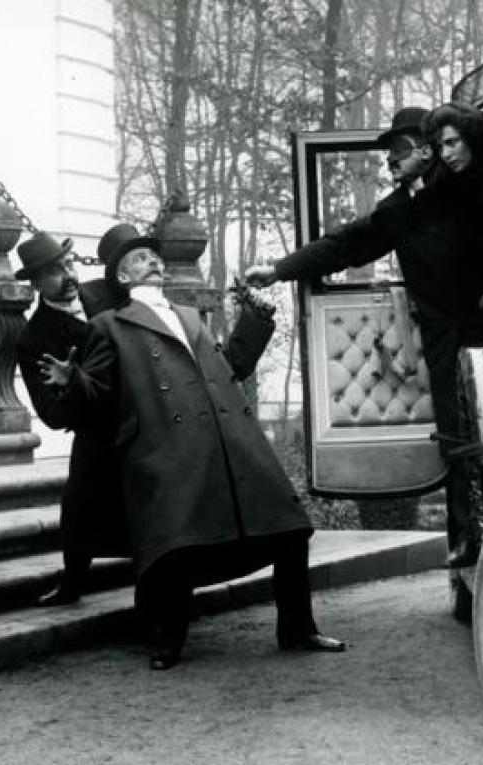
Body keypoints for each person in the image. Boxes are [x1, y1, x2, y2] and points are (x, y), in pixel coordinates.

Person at [47, 236, 344, 669]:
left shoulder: (188, 316)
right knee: (178, 545)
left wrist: (255, 320)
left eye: (154, 256)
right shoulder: (109, 325)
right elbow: (99, 396)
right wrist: (73, 381)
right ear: (122, 276)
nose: (153, 260)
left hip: (229, 441)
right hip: (169, 450)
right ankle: (168, 642)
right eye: (139, 258)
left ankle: (298, 629)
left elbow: (230, 367)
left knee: (289, 529)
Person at [244, 104, 483, 570]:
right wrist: (279, 270)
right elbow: (344, 245)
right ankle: (468, 540)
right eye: (388, 152)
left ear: (426, 151)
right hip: (443, 340)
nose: (390, 160)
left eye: (399, 149)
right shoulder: (396, 210)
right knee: (457, 436)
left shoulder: (466, 184)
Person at [15, 229, 131, 606]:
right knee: (80, 501)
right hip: (98, 427)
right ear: (36, 284)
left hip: (143, 412)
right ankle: (73, 583)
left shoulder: (106, 295)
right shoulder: (34, 339)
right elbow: (51, 416)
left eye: (67, 264)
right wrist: (72, 383)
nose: (68, 276)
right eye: (54, 271)